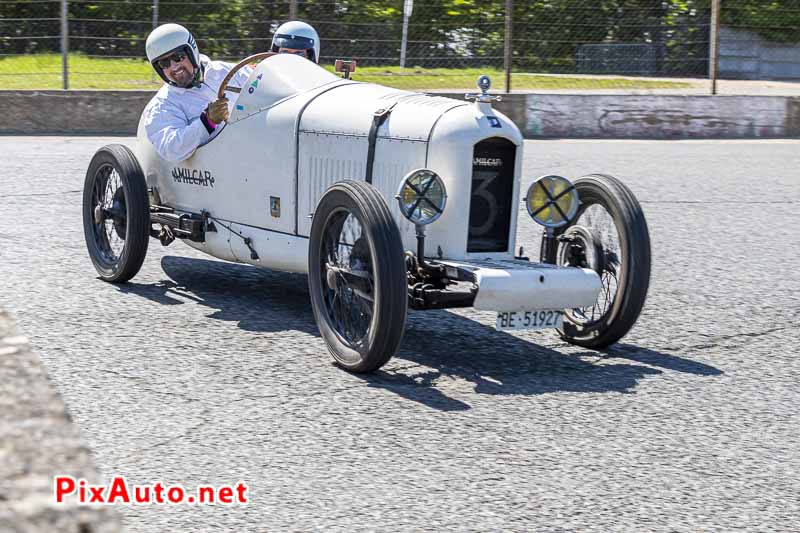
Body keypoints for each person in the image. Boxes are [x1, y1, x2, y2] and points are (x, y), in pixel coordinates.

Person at [142, 23, 253, 162]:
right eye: (164, 63)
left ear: (191, 52)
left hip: (253, 147)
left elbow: (264, 84)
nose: (174, 66)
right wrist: (207, 122)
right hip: (219, 168)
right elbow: (171, 149)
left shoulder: (227, 71)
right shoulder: (162, 105)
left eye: (178, 57)